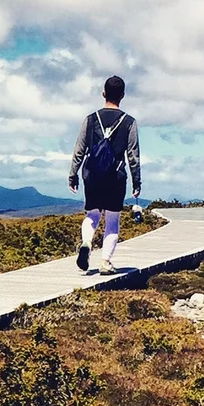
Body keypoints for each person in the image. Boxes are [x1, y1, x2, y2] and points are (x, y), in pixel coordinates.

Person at [68, 75, 141, 273]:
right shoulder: (129, 122)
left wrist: (73, 174)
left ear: (103, 93)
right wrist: (136, 182)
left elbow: (79, 149)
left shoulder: (90, 119)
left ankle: (86, 242)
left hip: (92, 175)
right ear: (123, 95)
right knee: (112, 220)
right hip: (115, 177)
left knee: (92, 214)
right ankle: (105, 262)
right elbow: (133, 155)